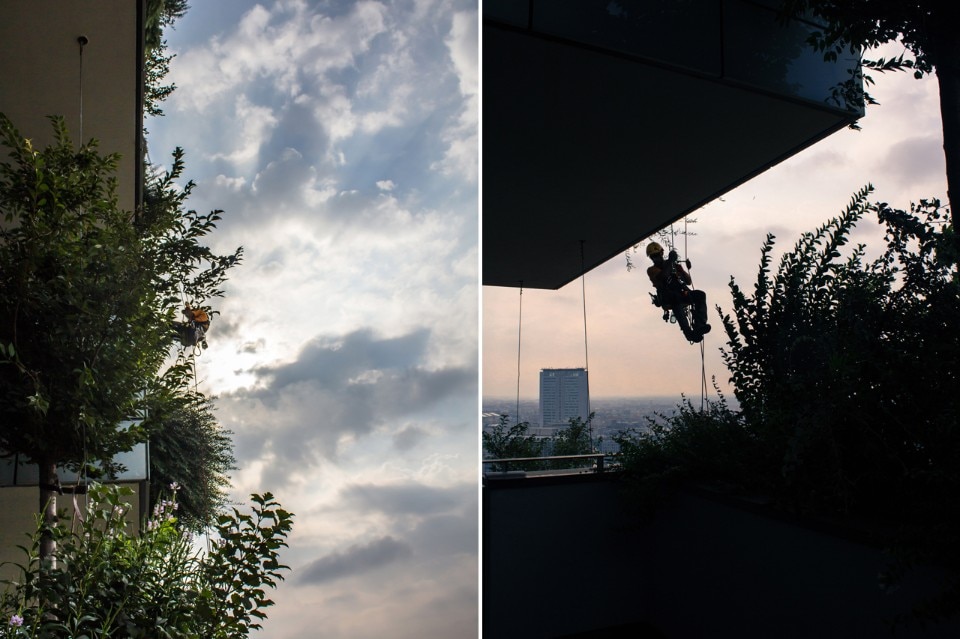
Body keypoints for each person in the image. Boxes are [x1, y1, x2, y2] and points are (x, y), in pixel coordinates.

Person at [646, 242, 710, 343]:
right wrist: (671, 261)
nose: (655, 258)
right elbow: (663, 277)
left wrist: (683, 271)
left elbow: (688, 282)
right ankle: (688, 333)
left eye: (656, 255)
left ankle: (699, 325)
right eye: (653, 257)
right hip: (667, 297)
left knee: (700, 295)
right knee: (675, 298)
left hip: (681, 293)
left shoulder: (673, 265)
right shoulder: (651, 270)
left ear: (661, 253)